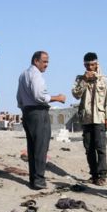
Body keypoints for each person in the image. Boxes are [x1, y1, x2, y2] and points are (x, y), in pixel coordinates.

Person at [16, 51, 66, 190]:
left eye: (47, 61)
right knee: (40, 147)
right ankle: (38, 180)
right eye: (44, 61)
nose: (46, 65)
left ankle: (34, 179)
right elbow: (39, 96)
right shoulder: (36, 75)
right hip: (38, 113)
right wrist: (57, 98)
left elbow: (19, 98)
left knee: (32, 147)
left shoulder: (23, 74)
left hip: (28, 112)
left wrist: (25, 110)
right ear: (36, 61)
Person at [71, 52, 107, 186]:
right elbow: (76, 94)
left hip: (99, 118)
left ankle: (102, 175)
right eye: (87, 65)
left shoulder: (104, 80)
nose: (90, 67)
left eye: (92, 65)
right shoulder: (80, 79)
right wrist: (84, 80)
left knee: (100, 147)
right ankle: (93, 174)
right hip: (86, 118)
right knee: (89, 148)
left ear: (97, 64)